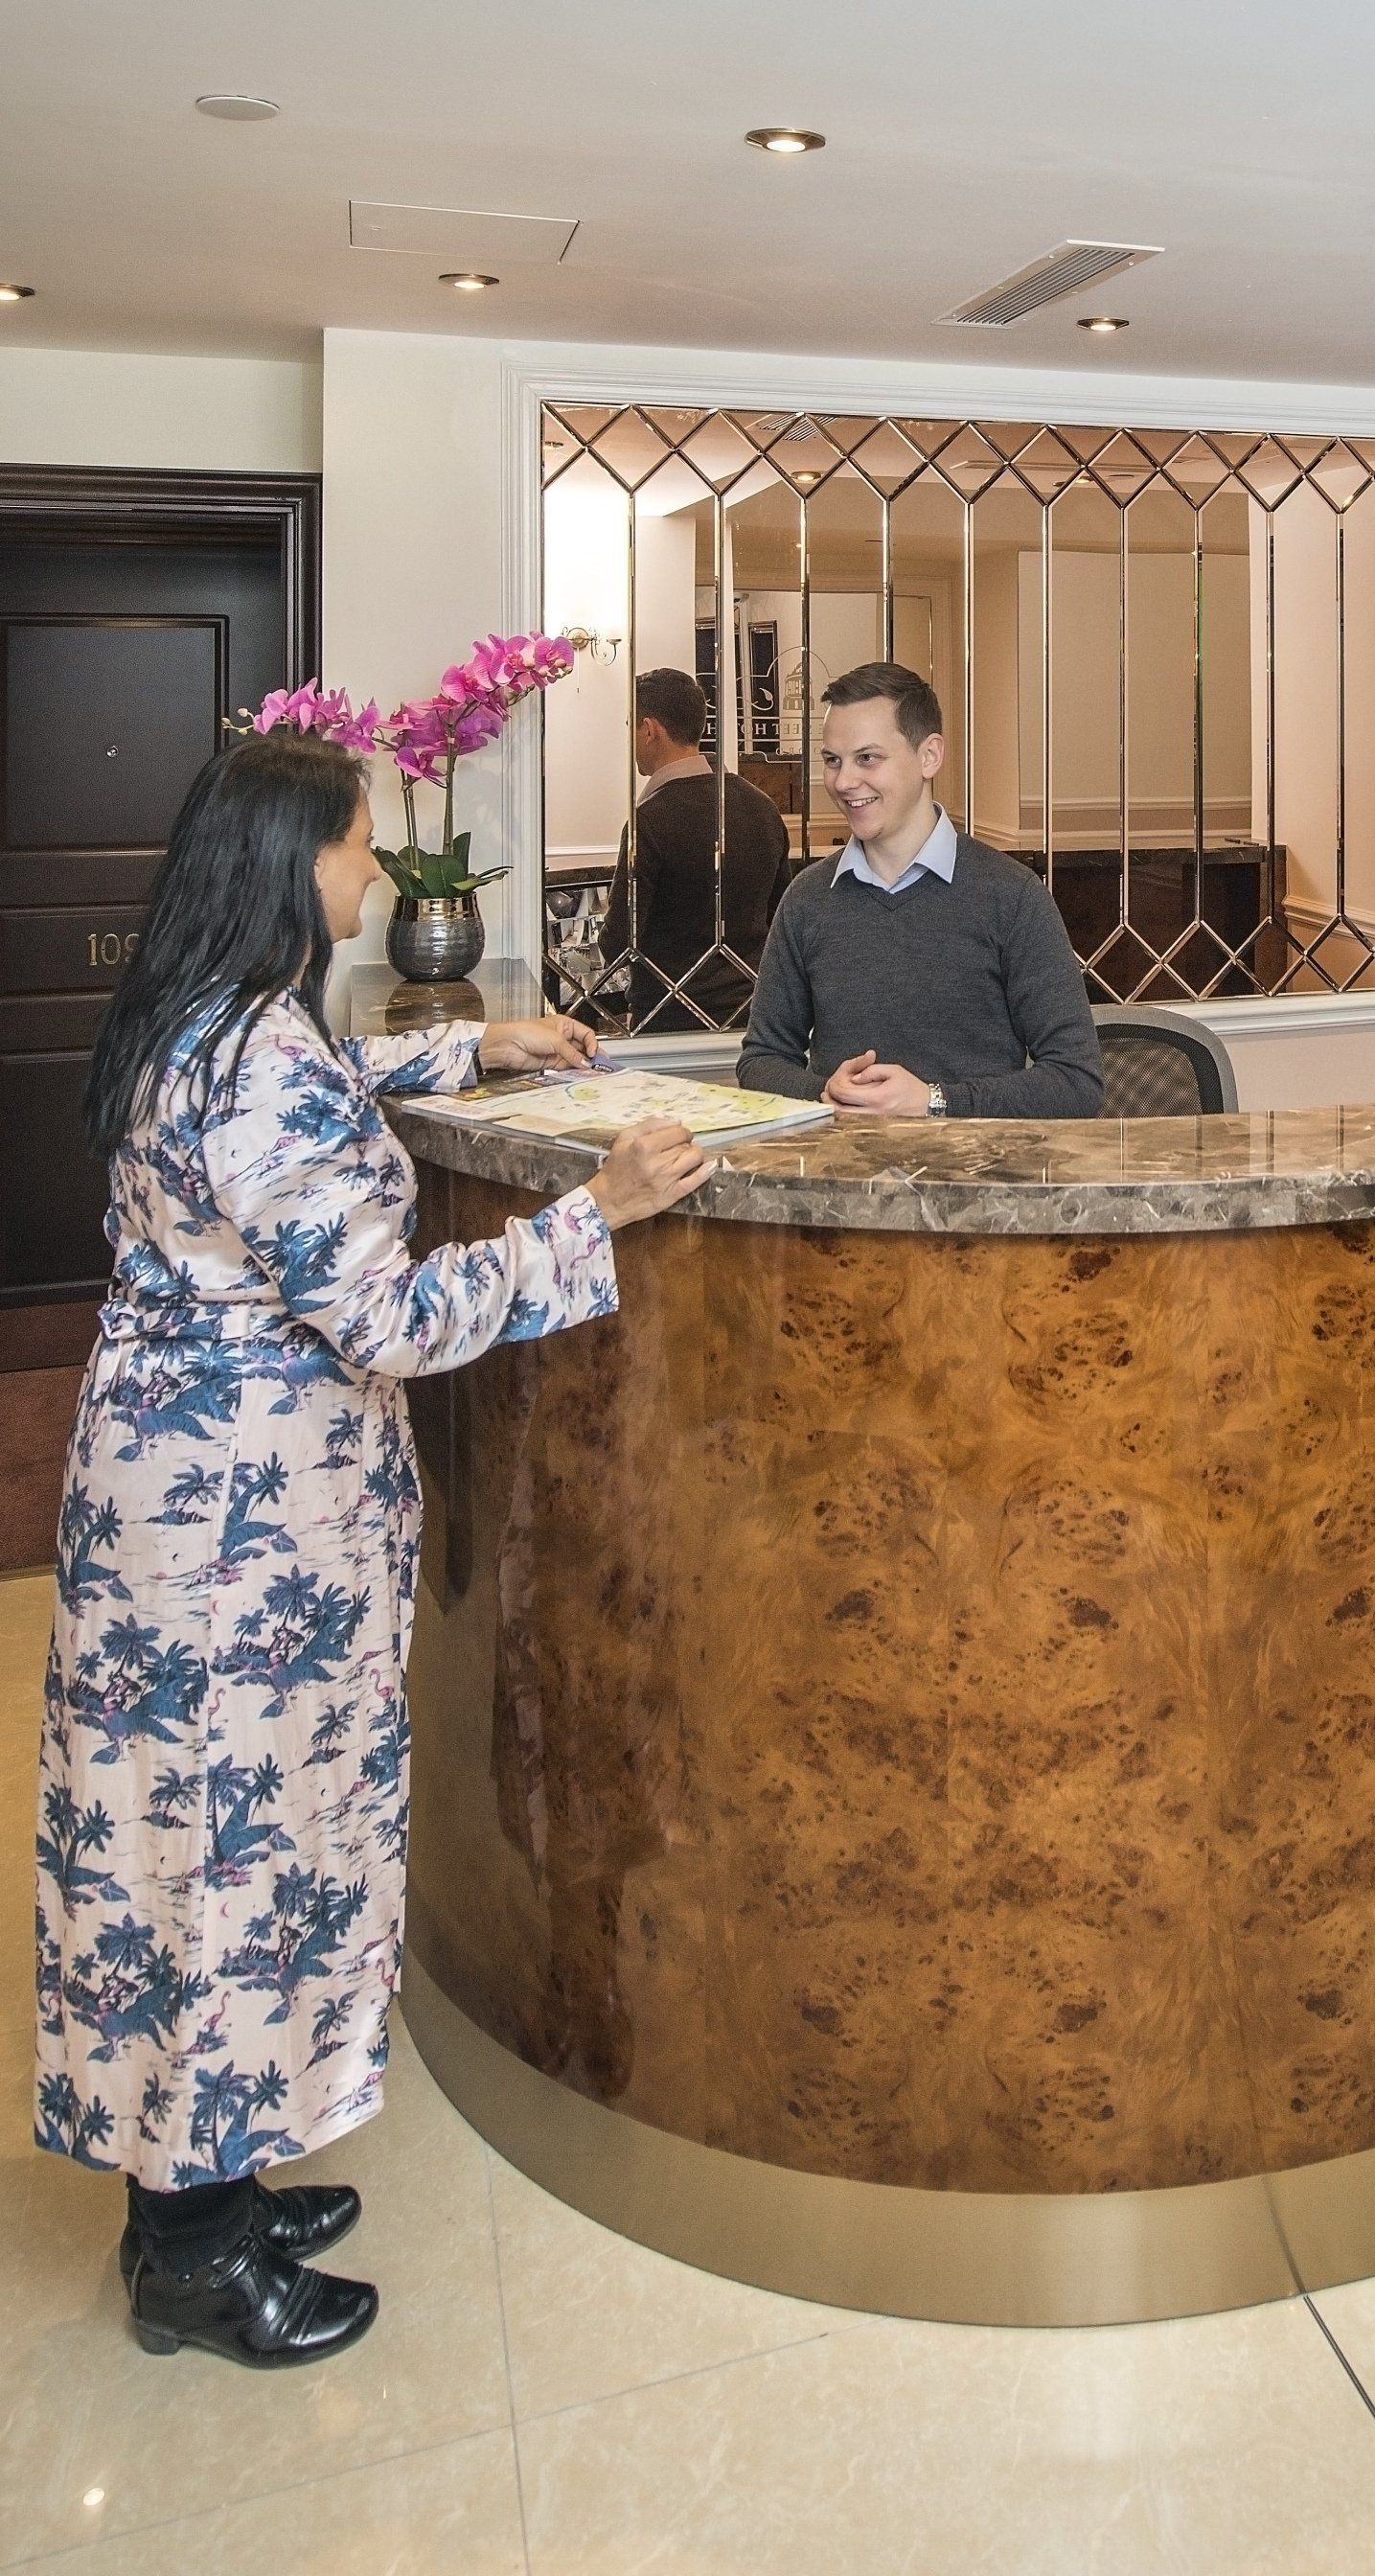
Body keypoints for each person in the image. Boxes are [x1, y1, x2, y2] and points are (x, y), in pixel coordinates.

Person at [33, 729, 709, 2370]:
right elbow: (386, 1316)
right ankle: (190, 2247)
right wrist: (592, 1213)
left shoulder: (218, 1021)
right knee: (223, 1854)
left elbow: (324, 1103)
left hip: (197, 1520)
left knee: (207, 1841)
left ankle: (217, 2176)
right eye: (357, 843)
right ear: (298, 866)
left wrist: (479, 1049)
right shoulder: (259, 1057)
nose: (372, 870)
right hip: (233, 1543)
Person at [735, 662, 1103, 1118]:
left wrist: (932, 1100)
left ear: (929, 755)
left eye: (867, 758)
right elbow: (761, 1060)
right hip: (842, 1180)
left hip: (977, 1181)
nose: (844, 781)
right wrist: (823, 1096)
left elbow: (1076, 1082)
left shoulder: (1012, 897)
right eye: (833, 760)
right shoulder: (807, 899)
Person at [603, 666, 791, 1031]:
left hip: (670, 1019)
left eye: (631, 727)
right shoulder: (762, 806)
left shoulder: (649, 821)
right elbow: (780, 915)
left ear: (648, 729)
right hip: (753, 1014)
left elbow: (620, 941)